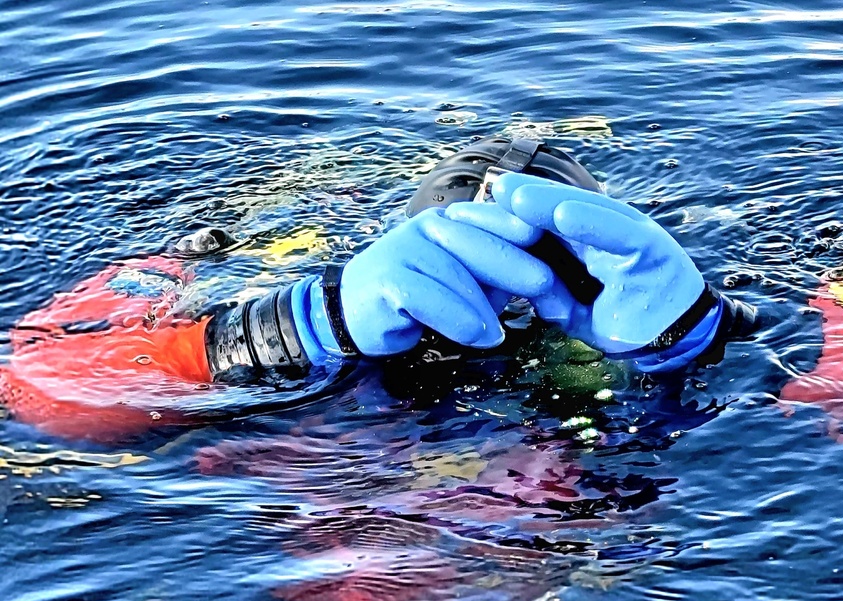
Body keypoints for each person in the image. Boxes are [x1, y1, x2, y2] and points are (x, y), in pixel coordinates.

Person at [0, 137, 757, 441]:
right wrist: (293, 326)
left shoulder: (660, 295)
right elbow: (29, 385)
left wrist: (699, 341)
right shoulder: (254, 269)